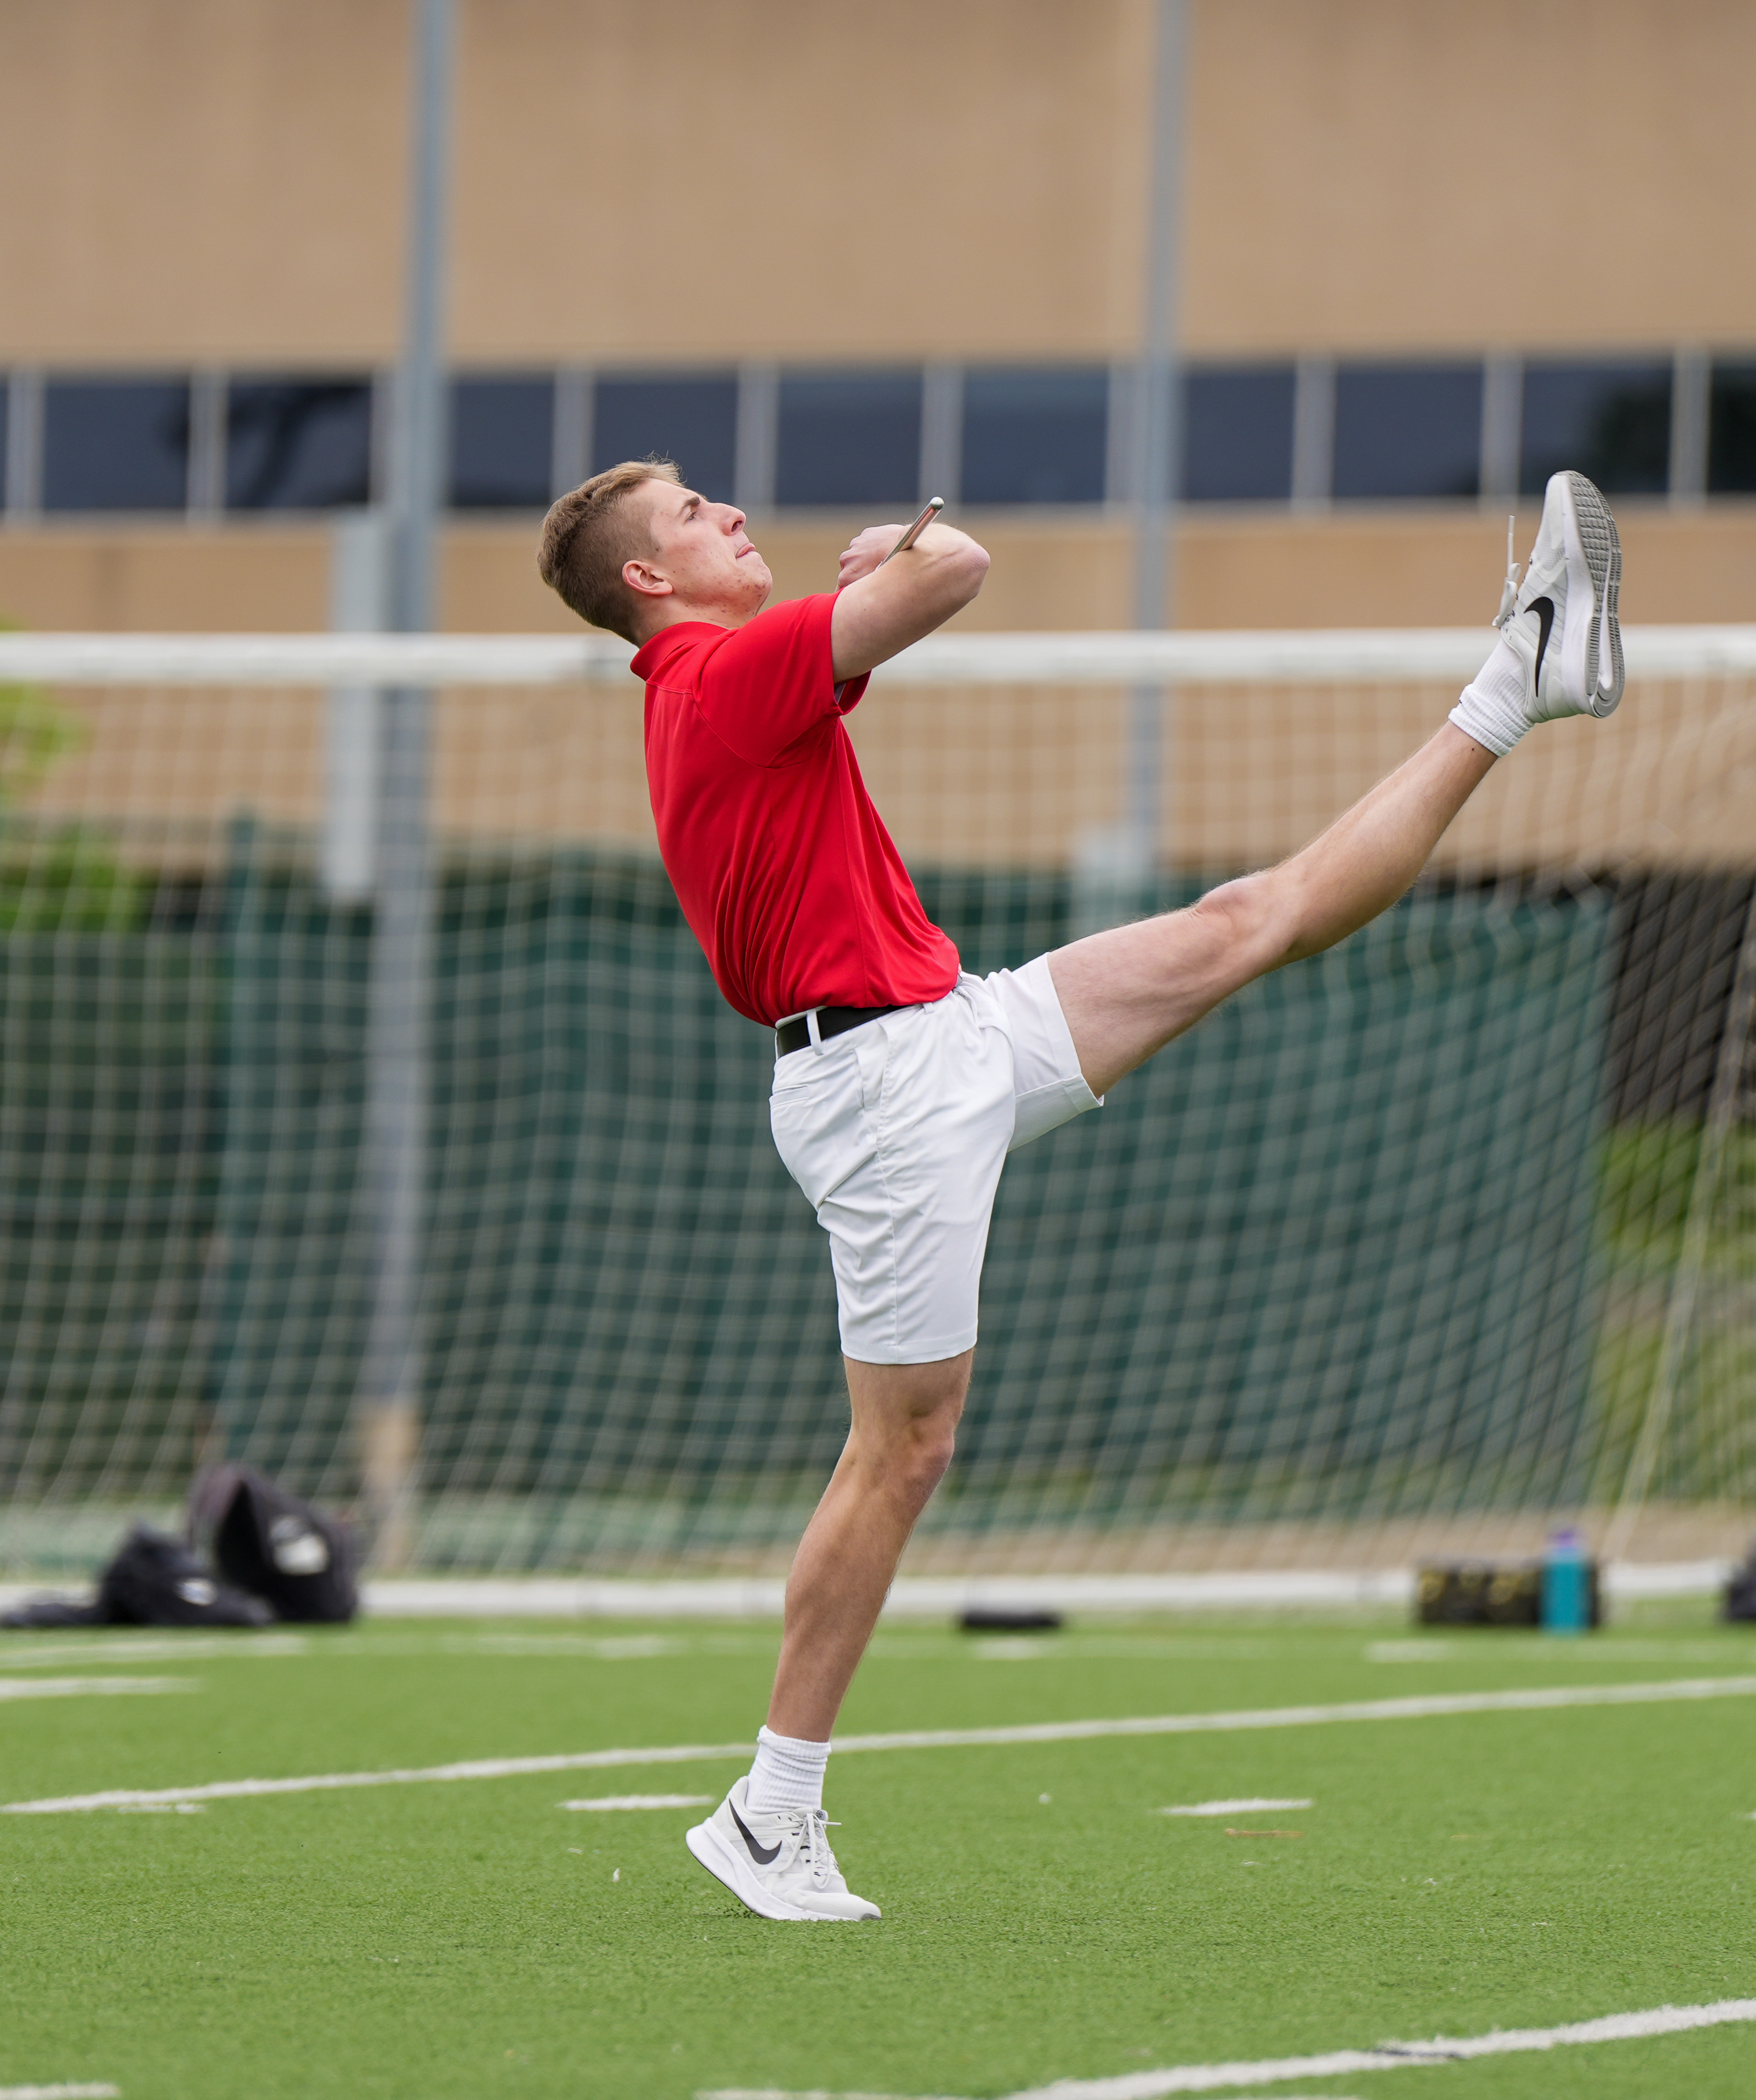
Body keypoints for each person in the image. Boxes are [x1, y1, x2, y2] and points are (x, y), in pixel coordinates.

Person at [531, 462, 1623, 1921]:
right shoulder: (716, 671)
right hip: (880, 1095)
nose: (727, 513)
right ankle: (768, 1812)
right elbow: (959, 566)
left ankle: (1519, 674)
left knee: (1251, 919)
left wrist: (866, 580)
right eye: (690, 515)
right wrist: (891, 553)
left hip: (940, 1033)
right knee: (901, 1453)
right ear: (651, 584)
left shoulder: (734, 667)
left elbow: (908, 601)